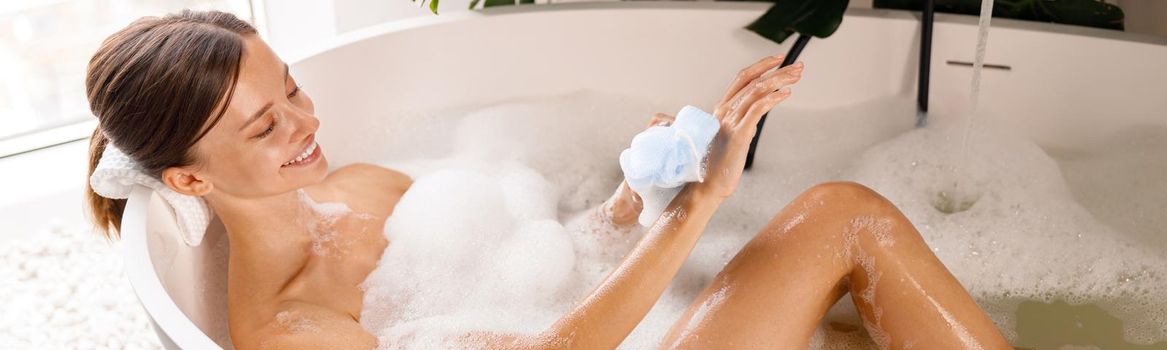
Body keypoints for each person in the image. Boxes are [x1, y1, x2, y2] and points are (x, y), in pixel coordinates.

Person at [84, 10, 1010, 349]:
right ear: (189, 182)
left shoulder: (358, 185)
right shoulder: (285, 332)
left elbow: (540, 268)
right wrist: (702, 209)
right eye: (265, 124)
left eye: (291, 87)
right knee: (842, 217)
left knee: (853, 328)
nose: (305, 123)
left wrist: (636, 194)